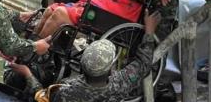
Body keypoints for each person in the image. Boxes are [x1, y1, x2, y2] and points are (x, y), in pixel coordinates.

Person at [9, 10, 161, 102]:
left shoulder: (65, 91)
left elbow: (42, 97)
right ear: (109, 69)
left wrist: (27, 74)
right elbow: (143, 63)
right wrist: (149, 32)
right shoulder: (120, 84)